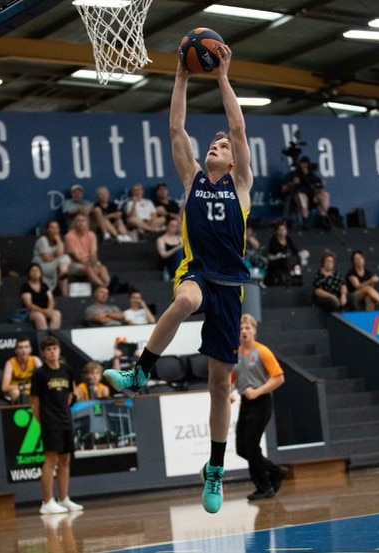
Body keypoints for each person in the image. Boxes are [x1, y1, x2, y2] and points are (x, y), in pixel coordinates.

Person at [104, 44, 253, 514]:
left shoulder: (241, 185)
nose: (218, 145)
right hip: (197, 272)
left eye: (223, 146)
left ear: (233, 161)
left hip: (230, 284)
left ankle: (214, 468)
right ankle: (140, 372)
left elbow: (239, 126)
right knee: (186, 299)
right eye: (213, 144)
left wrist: (223, 76)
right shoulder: (192, 180)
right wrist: (182, 77)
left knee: (217, 384)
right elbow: (175, 128)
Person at [231, 314, 287, 500]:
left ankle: (264, 487)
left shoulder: (262, 351)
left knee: (251, 446)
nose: (244, 331)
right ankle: (275, 471)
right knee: (242, 448)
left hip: (261, 401)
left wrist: (258, 391)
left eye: (247, 328)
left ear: (254, 330)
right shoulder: (235, 354)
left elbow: (278, 377)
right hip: (246, 403)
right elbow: (231, 378)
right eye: (241, 328)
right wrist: (230, 393)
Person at [29, 335, 83, 515]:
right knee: (50, 460)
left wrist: (64, 411)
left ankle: (64, 498)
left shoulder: (67, 370)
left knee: (65, 460)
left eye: (54, 348)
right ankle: (47, 501)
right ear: (44, 353)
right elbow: (34, 403)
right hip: (49, 422)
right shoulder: (39, 374)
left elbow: (70, 393)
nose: (52, 352)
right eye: (48, 349)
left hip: (65, 420)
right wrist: (43, 421)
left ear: (59, 350)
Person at [282, 156, 330, 229]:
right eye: (302, 163)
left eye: (306, 164)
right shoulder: (293, 174)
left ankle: (322, 218)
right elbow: (283, 189)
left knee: (325, 195)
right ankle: (305, 221)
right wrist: (292, 184)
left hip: (311, 197)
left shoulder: (311, 175)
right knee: (302, 197)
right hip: (298, 197)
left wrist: (321, 185)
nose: (304, 166)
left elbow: (318, 185)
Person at [65, 214, 111, 288]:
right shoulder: (69, 236)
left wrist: (93, 264)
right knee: (88, 269)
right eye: (78, 221)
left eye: (83, 221)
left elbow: (93, 253)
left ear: (87, 223)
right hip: (75, 263)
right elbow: (74, 256)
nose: (81, 223)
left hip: (90, 262)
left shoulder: (92, 235)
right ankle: (103, 287)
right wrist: (88, 265)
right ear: (74, 224)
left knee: (102, 268)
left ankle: (106, 286)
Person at [32, 220, 71, 297]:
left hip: (52, 265)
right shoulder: (42, 240)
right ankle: (63, 273)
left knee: (64, 262)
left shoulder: (59, 240)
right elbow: (46, 258)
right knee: (64, 260)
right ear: (47, 230)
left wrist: (59, 241)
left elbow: (60, 254)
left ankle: (64, 293)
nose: (54, 230)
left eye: (56, 227)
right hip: (41, 266)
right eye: (52, 228)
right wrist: (56, 257)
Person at [20, 263, 62, 329]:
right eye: (33, 271)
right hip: (32, 312)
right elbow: (29, 304)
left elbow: (51, 300)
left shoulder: (44, 286)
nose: (35, 272)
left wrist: (49, 309)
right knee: (39, 316)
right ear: (29, 274)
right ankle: (44, 338)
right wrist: (43, 311)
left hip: (46, 309)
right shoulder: (25, 287)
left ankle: (53, 337)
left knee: (57, 314)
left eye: (37, 270)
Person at [1, 336, 42, 404]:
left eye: (26, 347)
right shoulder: (10, 363)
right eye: (21, 347)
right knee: (15, 392)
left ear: (30, 349)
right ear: (16, 350)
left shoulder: (35, 360)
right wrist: (24, 386)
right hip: (16, 390)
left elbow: (45, 378)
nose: (24, 350)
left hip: (32, 390)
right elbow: (4, 387)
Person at [264, 221, 302, 286]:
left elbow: (294, 250)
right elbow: (274, 253)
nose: (283, 231)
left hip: (285, 258)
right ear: (277, 231)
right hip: (275, 260)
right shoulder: (273, 240)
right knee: (287, 261)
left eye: (284, 229)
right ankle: (288, 279)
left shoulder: (287, 238)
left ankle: (297, 278)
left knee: (296, 260)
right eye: (280, 230)